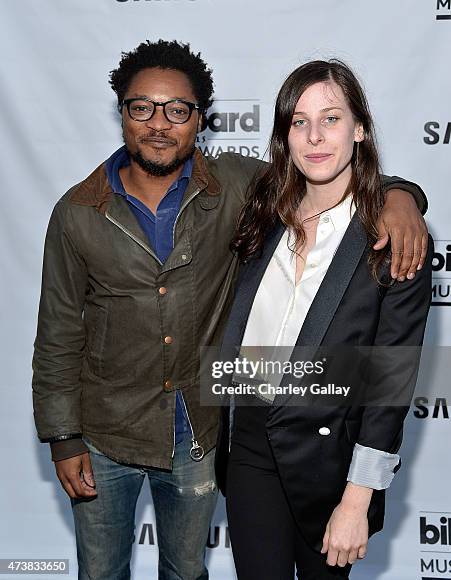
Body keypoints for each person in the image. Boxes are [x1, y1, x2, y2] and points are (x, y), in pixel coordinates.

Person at [32, 40, 428, 580]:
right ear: (122, 113)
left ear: (200, 120)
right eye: (142, 107)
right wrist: (62, 436)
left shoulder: (241, 190)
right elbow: (56, 334)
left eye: (178, 110)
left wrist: (402, 196)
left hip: (207, 430)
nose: (159, 123)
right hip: (124, 432)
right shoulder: (82, 211)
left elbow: (388, 383)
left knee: (187, 571)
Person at [215, 59, 433, 579]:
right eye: (299, 121)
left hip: (331, 458)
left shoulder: (394, 238)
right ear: (284, 134)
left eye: (331, 119)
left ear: (360, 128)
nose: (315, 136)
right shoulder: (262, 210)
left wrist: (358, 501)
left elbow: (389, 383)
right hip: (247, 439)